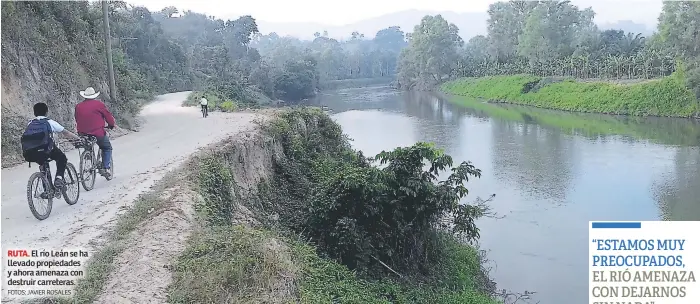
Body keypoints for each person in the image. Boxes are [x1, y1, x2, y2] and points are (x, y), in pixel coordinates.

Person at [21, 102, 82, 189]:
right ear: (46, 112)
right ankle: (59, 178)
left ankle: (47, 189)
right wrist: (78, 139)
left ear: (34, 113)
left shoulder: (30, 123)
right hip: (46, 150)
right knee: (62, 158)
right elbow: (66, 133)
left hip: (30, 152)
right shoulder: (50, 122)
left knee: (42, 162)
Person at [74, 87, 116, 179]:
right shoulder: (99, 104)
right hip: (98, 132)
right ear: (94, 96)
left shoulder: (78, 106)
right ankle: (105, 167)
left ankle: (88, 160)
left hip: (82, 133)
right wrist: (111, 125)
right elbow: (108, 116)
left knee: (88, 146)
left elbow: (77, 119)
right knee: (106, 147)